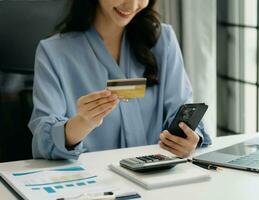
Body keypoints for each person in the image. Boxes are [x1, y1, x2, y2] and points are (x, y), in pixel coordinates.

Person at [28, 0, 211, 160]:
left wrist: (188, 138)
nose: (131, 5)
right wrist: (82, 123)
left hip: (157, 178)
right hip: (92, 186)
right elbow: (42, 141)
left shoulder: (163, 40)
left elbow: (181, 111)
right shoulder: (53, 52)